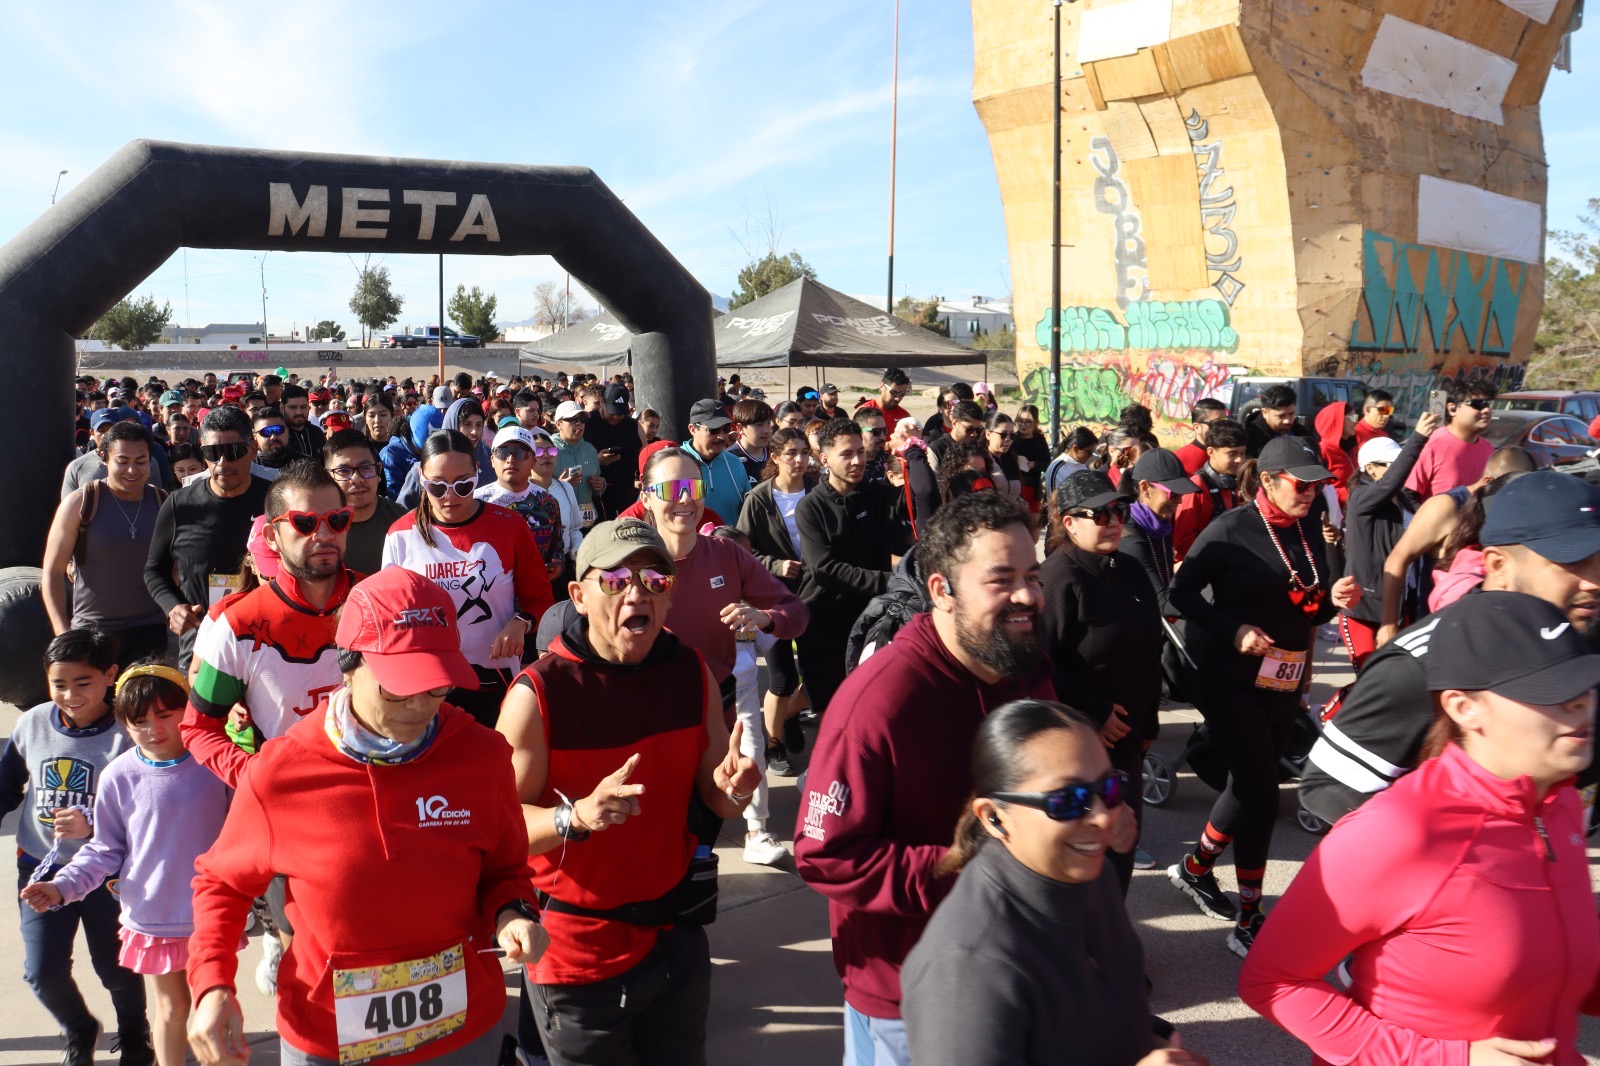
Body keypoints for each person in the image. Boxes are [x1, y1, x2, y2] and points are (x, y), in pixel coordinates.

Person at [185, 567, 545, 1066]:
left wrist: (514, 915)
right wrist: (212, 985)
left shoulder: (482, 756)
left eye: (438, 687)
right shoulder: (281, 772)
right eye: (400, 688)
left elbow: (506, 870)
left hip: (462, 1037)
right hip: (328, 1043)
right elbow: (221, 883)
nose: (421, 706)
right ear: (348, 665)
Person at [1241, 592, 1600, 1065]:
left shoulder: (1562, 805)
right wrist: (1453, 1059)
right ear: (1464, 707)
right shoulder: (1401, 831)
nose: (1580, 702)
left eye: (1586, 682)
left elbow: (1557, 964)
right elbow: (1272, 982)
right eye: (1546, 687)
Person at [795, 493, 1053, 1066]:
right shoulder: (878, 701)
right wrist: (967, 870)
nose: (1027, 595)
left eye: (1033, 576)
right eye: (1001, 579)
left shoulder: (1026, 663)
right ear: (941, 591)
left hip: (1022, 972)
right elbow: (824, 854)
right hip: (910, 1000)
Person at [495, 519, 762, 1066]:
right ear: (580, 595)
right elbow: (498, 832)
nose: (637, 592)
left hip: (676, 936)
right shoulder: (538, 694)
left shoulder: (692, 673)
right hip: (577, 954)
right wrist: (577, 817)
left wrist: (734, 790)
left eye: (654, 580)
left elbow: (717, 799)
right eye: (615, 580)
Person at [901, 700, 1203, 1066]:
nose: (1104, 818)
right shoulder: (967, 968)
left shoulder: (1095, 876)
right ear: (995, 817)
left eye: (1108, 788)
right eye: (1068, 800)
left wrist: (1150, 1038)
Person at [1301, 469, 1600, 826]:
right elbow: (1327, 786)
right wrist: (1457, 847)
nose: (1594, 581)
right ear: (1499, 565)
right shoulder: (1422, 662)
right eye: (1571, 561)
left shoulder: (1586, 638)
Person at [1166, 436, 1361, 956]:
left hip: (1284, 677)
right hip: (1230, 676)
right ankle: (1250, 917)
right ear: (1269, 481)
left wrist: (1333, 601)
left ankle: (1194, 868)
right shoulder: (1230, 528)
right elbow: (1178, 594)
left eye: (1318, 483)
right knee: (1261, 791)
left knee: (1248, 783)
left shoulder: (1305, 525)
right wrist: (1232, 629)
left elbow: (1308, 607)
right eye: (1302, 483)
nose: (1313, 492)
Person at [22, 663, 229, 1066]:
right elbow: (104, 849)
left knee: (213, 1010)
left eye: (165, 715)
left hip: (213, 916)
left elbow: (245, 836)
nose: (154, 728)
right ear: (123, 724)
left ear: (189, 708)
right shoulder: (119, 774)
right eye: (138, 721)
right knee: (170, 1010)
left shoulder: (217, 765)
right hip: (152, 916)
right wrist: (62, 886)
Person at [636, 447, 808, 857]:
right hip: (649, 719)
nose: (685, 499)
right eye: (671, 488)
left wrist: (764, 617)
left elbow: (795, 612)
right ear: (646, 497)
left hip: (717, 722)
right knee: (653, 839)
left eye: (693, 487)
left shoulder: (726, 554)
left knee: (703, 837)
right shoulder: (629, 560)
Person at [0, 630, 150, 1066]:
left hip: (106, 876)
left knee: (115, 967)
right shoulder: (31, 723)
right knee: (42, 972)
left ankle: (134, 1031)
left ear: (110, 676)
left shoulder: (128, 734)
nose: (69, 695)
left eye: (83, 683)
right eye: (58, 684)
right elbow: (7, 786)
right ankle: (79, 1028)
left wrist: (93, 826)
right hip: (39, 872)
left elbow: (144, 809)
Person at [1040, 471, 1163, 893]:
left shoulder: (1129, 568)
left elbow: (1150, 649)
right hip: (1075, 744)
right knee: (1082, 852)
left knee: (1120, 845)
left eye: (1119, 511)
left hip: (1126, 741)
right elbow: (1040, 665)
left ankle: (1107, 942)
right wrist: (1093, 713)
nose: (1113, 520)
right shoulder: (1057, 578)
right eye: (1100, 513)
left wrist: (1149, 725)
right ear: (1070, 522)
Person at [383, 429, 555, 726]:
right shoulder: (400, 534)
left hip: (494, 678)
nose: (450, 497)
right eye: (437, 487)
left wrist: (520, 623)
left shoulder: (509, 526)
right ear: (421, 480)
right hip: (428, 682)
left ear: (478, 473)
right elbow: (390, 616)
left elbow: (541, 599)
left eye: (463, 486)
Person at [795, 416, 909, 720]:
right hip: (824, 623)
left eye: (860, 451)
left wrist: (913, 453)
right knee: (832, 713)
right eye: (847, 454)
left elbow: (921, 502)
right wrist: (891, 582)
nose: (857, 460)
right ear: (824, 459)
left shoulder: (880, 495)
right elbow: (825, 569)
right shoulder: (811, 507)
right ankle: (786, 723)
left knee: (874, 706)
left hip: (873, 619)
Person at [144, 406, 273, 669]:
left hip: (266, 646)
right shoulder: (180, 505)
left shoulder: (275, 501)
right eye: (212, 453)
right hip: (201, 647)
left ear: (252, 449)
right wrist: (173, 607)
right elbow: (154, 570)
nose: (222, 463)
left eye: (233, 452)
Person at [1376, 446, 1538, 643]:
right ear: (1488, 481)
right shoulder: (1446, 507)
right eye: (1508, 489)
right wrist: (1389, 624)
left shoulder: (1515, 513)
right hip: (1435, 633)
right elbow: (1397, 559)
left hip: (1492, 632)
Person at [42, 420, 169, 668]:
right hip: (92, 631)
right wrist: (63, 633)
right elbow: (52, 572)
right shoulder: (81, 503)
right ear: (105, 460)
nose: (132, 470)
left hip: (149, 629)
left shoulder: (162, 502)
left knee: (141, 707)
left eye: (140, 461)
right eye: (122, 461)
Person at [736, 426, 813, 775]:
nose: (799, 460)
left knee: (817, 678)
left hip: (816, 597)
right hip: (774, 598)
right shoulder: (759, 499)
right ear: (776, 457)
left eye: (805, 453)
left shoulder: (819, 492)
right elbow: (741, 552)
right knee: (781, 679)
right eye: (792, 453)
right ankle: (773, 742)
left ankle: (790, 715)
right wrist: (776, 564)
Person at [1337, 412, 1441, 668]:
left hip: (1398, 607)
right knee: (1366, 687)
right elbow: (1387, 486)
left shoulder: (1405, 499)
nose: (1399, 472)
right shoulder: (1360, 497)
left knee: (1396, 685)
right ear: (1369, 469)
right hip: (1362, 610)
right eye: (1390, 465)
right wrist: (1418, 438)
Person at [475, 425, 566, 581]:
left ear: (532, 460)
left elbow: (557, 545)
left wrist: (557, 565)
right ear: (492, 460)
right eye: (503, 452)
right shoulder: (476, 502)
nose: (511, 459)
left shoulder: (548, 502)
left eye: (520, 453)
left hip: (535, 595)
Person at [1119, 449, 1199, 617]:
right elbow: (1161, 601)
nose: (1180, 500)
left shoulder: (1160, 523)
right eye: (1173, 493)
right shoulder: (1128, 535)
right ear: (1145, 487)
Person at [320, 430, 405, 575]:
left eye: (365, 468)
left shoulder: (403, 524)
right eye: (343, 471)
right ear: (328, 477)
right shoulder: (315, 526)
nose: (356, 479)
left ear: (378, 472)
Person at [1405, 378, 1496, 502]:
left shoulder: (1490, 452)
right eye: (1478, 404)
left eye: (1488, 404)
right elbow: (1407, 496)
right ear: (1452, 408)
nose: (1486, 410)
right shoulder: (1430, 446)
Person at [1171, 417, 1247, 564]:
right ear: (1211, 452)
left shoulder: (1235, 482)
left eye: (1242, 453)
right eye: (1232, 454)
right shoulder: (1196, 487)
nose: (1239, 460)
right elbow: (1183, 541)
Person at [682, 397, 750, 527]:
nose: (722, 436)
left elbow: (748, 513)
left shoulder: (735, 463)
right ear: (692, 429)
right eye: (714, 430)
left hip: (729, 546)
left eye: (726, 429)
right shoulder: (672, 464)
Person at [584, 382, 643, 518]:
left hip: (626, 493)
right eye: (612, 412)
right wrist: (596, 460)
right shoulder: (588, 423)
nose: (616, 417)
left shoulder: (633, 425)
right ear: (602, 402)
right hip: (595, 495)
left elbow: (644, 455)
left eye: (620, 413)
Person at [1243, 383, 1315, 457]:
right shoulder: (1249, 439)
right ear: (1265, 412)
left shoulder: (1303, 434)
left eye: (1291, 414)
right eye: (1281, 416)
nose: (1287, 421)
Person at [1010, 403, 1052, 510]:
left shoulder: (1039, 440)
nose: (1023, 425)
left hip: (1033, 486)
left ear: (1035, 423)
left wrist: (1035, 465)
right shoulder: (1012, 439)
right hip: (1014, 486)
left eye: (1028, 421)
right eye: (1020, 421)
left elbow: (1047, 464)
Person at [728, 397, 776, 488]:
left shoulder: (777, 454)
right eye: (759, 425)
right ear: (740, 428)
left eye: (769, 423)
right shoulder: (729, 459)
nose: (766, 430)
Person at [1174, 398, 1228, 475]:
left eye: (1225, 422)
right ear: (1197, 427)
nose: (1222, 428)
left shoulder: (1231, 456)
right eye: (1215, 424)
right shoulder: (1178, 459)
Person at [1043, 426, 1099, 498]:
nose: (1091, 455)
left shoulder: (1082, 465)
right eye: (1089, 451)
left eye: (1093, 451)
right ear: (1075, 448)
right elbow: (1053, 501)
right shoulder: (1057, 468)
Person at [855, 368, 913, 434]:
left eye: (902, 394)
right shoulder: (863, 412)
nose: (898, 398)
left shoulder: (905, 416)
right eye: (894, 392)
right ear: (882, 386)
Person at [277, 384, 326, 461]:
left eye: (303, 407)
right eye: (293, 407)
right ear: (282, 408)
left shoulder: (317, 433)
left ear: (308, 407)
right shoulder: (277, 436)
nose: (299, 412)